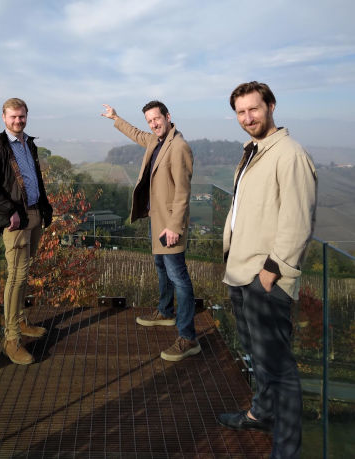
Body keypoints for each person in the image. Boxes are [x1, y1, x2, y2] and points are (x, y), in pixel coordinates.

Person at [217, 82, 317, 459]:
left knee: (280, 369)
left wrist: (271, 273)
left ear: (271, 106)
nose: (247, 118)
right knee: (258, 356)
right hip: (240, 274)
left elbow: (298, 219)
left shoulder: (289, 154)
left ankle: (286, 452)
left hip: (265, 278)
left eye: (254, 109)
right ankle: (261, 412)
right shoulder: (253, 151)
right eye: (241, 112)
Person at [101, 101, 200, 361]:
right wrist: (116, 117)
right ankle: (165, 312)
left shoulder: (178, 147)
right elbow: (136, 134)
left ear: (168, 116)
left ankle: (188, 337)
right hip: (156, 220)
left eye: (157, 119)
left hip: (169, 225)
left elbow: (183, 191)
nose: (154, 124)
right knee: (161, 266)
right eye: (150, 121)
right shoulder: (157, 140)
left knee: (179, 277)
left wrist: (175, 227)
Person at [0, 98, 53, 365]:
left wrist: (45, 207)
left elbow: (34, 179)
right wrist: (10, 210)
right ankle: (11, 340)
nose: (18, 121)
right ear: (3, 117)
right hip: (16, 221)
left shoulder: (27, 143)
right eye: (13, 117)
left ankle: (20, 321)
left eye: (21, 117)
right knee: (16, 277)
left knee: (26, 272)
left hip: (33, 214)